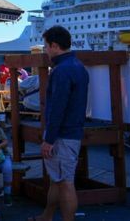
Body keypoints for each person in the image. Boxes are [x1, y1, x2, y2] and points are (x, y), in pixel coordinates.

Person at [32, 25, 89, 221]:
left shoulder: (61, 71)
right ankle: (47, 216)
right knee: (57, 180)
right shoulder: (78, 66)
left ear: (55, 46)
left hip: (63, 135)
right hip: (72, 131)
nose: (45, 51)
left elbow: (57, 108)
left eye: (46, 46)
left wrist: (49, 139)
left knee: (65, 182)